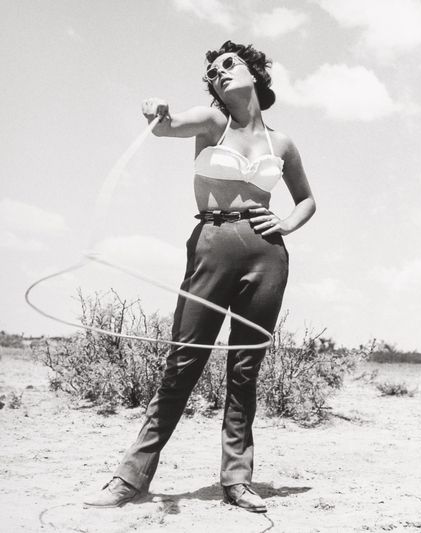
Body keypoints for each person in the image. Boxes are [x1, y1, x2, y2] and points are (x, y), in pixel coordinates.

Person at [84, 40, 315, 513]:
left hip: (268, 257)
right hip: (212, 247)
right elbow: (166, 126)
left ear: (255, 72)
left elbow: (307, 199)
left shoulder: (283, 143)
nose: (218, 72)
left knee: (245, 371)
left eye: (228, 64)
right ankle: (131, 477)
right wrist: (157, 110)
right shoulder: (213, 123)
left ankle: (236, 480)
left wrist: (286, 223)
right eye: (211, 71)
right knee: (183, 363)